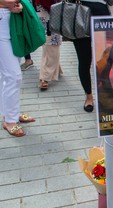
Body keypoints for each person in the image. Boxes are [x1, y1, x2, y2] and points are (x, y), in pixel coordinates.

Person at [0, 0, 35, 137]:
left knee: (6, 76)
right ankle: (10, 121)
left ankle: (10, 114)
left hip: (13, 20)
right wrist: (6, 4)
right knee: (14, 76)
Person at [72, 0, 111, 113]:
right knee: (84, 60)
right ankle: (89, 96)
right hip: (79, 11)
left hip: (101, 13)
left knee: (106, 59)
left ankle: (106, 95)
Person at [35, 0, 63, 90]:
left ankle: (54, 69)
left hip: (47, 11)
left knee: (50, 44)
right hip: (48, 11)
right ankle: (45, 76)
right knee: (50, 44)